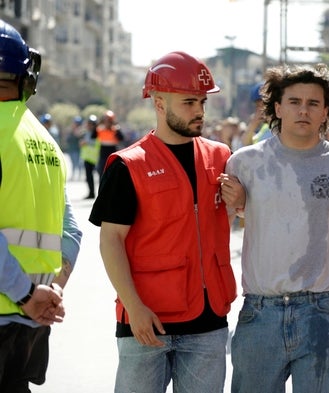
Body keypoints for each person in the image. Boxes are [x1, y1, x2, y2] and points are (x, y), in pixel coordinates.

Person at [225, 63, 329, 393]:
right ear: (277, 107)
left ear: (326, 111)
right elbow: (220, 226)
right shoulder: (244, 163)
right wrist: (239, 203)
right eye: (294, 101)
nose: (303, 110)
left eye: (313, 103)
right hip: (261, 309)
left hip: (324, 311)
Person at [89, 51, 239, 393]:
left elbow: (238, 217)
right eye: (188, 102)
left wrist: (241, 202)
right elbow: (110, 240)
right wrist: (134, 307)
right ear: (159, 103)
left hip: (209, 322)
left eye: (202, 101)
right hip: (147, 322)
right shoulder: (128, 165)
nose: (199, 110)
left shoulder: (222, 157)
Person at [0, 19, 82, 392]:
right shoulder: (44, 139)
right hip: (32, 325)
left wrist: (28, 295)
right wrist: (49, 294)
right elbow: (70, 230)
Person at [96, 109, 124, 176]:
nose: (107, 122)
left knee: (113, 170)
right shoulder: (100, 129)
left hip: (113, 150)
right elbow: (93, 135)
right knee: (101, 171)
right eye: (106, 120)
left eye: (109, 120)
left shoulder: (116, 129)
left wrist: (117, 129)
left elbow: (121, 138)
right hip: (103, 151)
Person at [80, 114, 99, 199]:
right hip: (88, 157)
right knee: (88, 177)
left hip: (95, 158)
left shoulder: (97, 133)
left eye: (91, 124)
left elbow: (96, 143)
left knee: (99, 177)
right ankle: (91, 193)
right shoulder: (87, 132)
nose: (89, 125)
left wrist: (86, 143)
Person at [66, 115, 84, 181]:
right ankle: (73, 175)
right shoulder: (70, 131)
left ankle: (80, 176)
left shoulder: (82, 131)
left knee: (79, 163)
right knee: (73, 163)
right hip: (72, 149)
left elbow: (82, 140)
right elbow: (68, 139)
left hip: (79, 150)